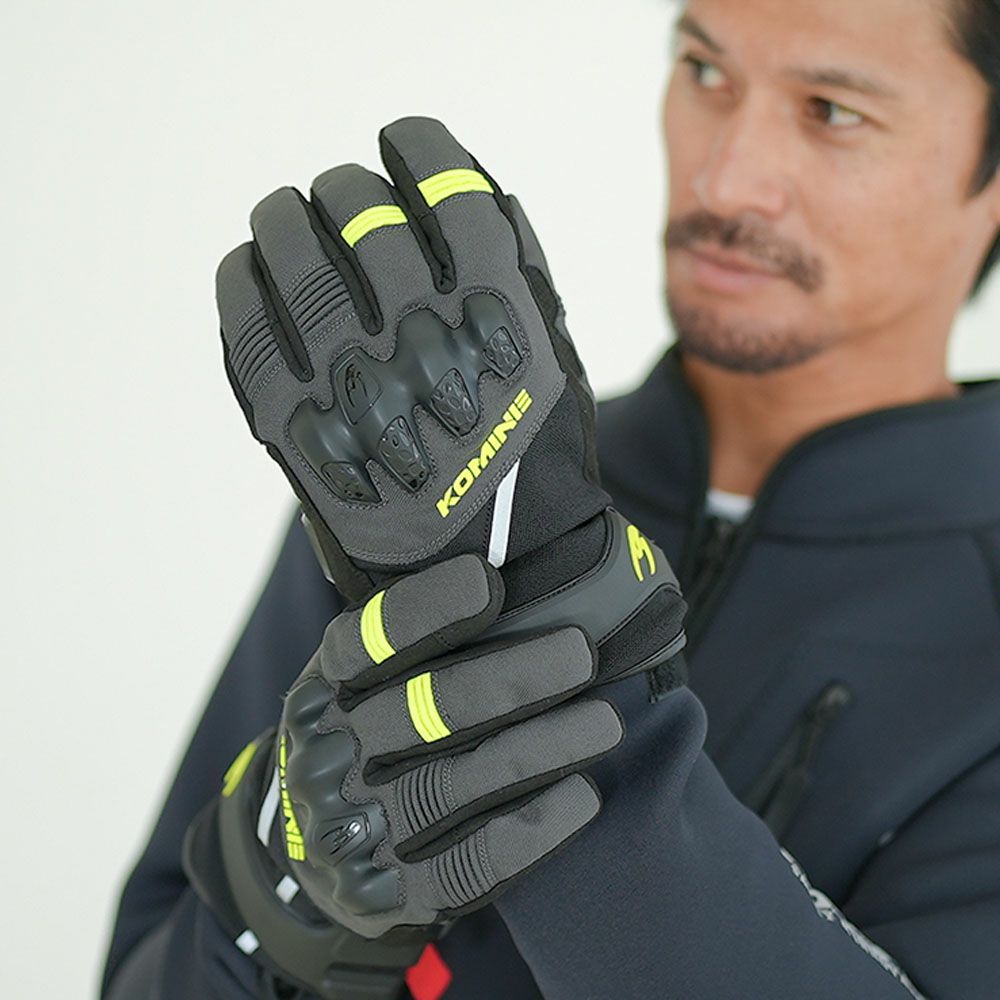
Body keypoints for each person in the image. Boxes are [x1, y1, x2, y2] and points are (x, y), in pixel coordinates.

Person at [101, 0, 1000, 997]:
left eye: (831, 110)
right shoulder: (421, 490)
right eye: (706, 72)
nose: (724, 177)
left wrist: (554, 653)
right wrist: (283, 897)